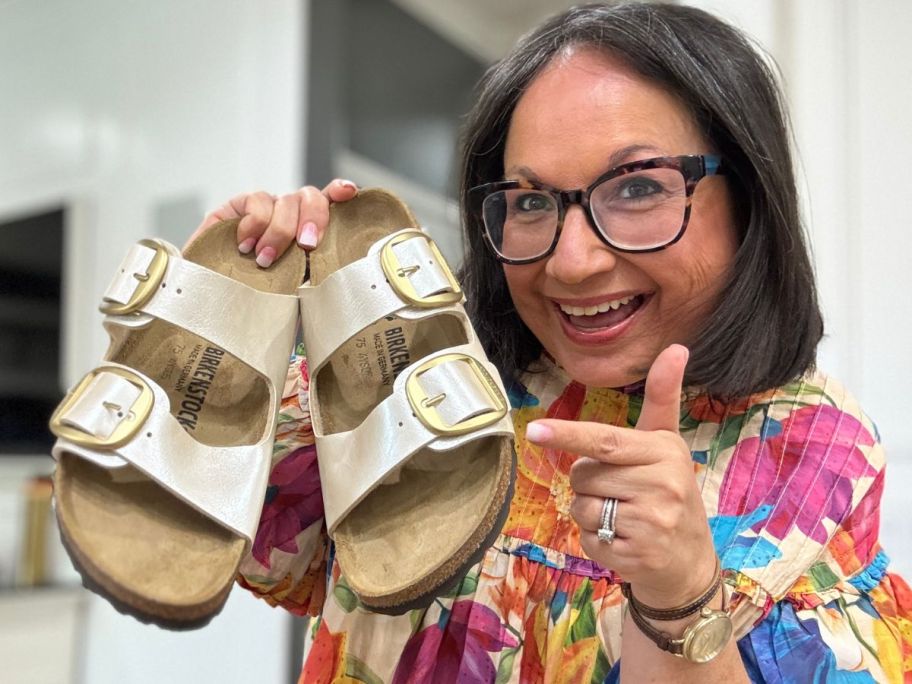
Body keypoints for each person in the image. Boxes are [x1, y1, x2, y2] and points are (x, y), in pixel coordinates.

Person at [196, 3, 912, 682]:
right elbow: (194, 525)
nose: (571, 263)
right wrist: (223, 324)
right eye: (532, 201)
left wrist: (679, 596)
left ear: (749, 199)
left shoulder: (816, 452)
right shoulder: (431, 380)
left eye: (636, 189)